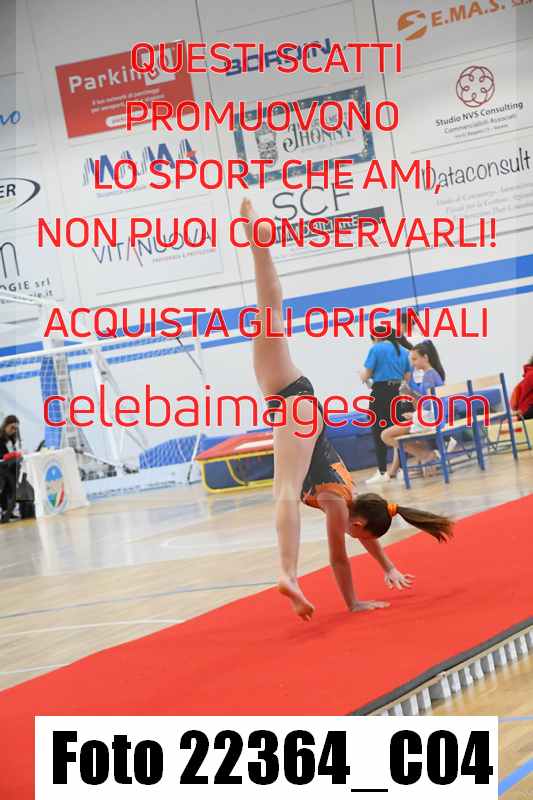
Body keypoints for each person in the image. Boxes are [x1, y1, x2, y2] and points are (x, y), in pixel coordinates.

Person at [240, 198, 453, 621]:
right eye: (360, 534)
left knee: (270, 314)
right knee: (284, 492)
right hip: (295, 403)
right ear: (358, 524)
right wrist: (354, 603)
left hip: (295, 404)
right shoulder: (339, 505)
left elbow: (366, 533)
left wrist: (387, 566)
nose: (355, 536)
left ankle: (258, 246)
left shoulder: (352, 499)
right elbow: (340, 556)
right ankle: (288, 574)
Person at [381, 340, 446, 478]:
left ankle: (426, 455)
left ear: (425, 357)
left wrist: (414, 414)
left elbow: (427, 403)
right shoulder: (431, 374)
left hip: (430, 420)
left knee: (386, 435)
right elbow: (426, 399)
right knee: (404, 434)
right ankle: (426, 459)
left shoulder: (429, 375)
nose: (413, 363)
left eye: (415, 359)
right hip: (432, 418)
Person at [359, 327, 411, 484]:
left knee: (378, 431)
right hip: (397, 394)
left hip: (380, 393)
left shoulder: (376, 349)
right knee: (397, 431)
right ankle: (401, 468)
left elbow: (366, 375)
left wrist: (362, 376)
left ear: (376, 337)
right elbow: (407, 377)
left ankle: (382, 471)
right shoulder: (404, 351)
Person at [0, 415, 21, 523]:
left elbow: (11, 452)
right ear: (6, 425)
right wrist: (10, 455)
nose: (14, 430)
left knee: (11, 488)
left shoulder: (12, 438)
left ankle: (8, 511)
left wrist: (15, 454)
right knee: (5, 487)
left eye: (16, 428)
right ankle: (4, 511)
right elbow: (2, 455)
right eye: (12, 428)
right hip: (2, 467)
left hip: (9, 466)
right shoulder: (0, 438)